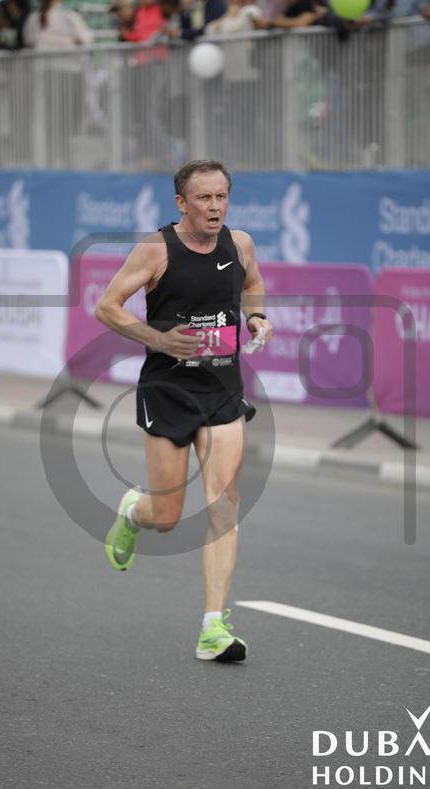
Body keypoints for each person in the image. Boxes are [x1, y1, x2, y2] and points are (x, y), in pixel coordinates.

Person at [95, 160, 272, 662]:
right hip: (168, 391)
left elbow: (252, 283)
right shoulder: (156, 250)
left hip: (221, 390)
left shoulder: (240, 244)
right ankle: (135, 510)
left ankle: (213, 628)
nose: (215, 207)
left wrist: (257, 317)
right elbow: (107, 306)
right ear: (181, 202)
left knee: (224, 503)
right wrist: (157, 339)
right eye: (203, 198)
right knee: (168, 517)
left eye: (221, 197)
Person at [23, 0, 93, 49]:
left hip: (40, 64)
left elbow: (28, 41)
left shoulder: (33, 17)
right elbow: (85, 39)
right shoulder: (69, 16)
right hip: (69, 63)